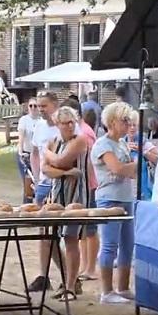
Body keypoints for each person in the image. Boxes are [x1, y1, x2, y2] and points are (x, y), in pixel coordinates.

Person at [91, 101, 137, 305]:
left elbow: (128, 171)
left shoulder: (122, 143)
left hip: (126, 196)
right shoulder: (102, 144)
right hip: (109, 197)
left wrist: (130, 167)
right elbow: (117, 168)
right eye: (124, 120)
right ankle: (106, 291)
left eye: (129, 120)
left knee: (128, 244)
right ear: (111, 122)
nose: (128, 124)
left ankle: (123, 287)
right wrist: (134, 165)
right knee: (110, 244)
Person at [42, 106, 89, 300]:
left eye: (72, 122)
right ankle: (69, 278)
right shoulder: (55, 141)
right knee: (48, 239)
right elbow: (46, 169)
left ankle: (70, 287)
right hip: (56, 195)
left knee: (70, 240)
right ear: (57, 124)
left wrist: (47, 154)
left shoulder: (80, 140)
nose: (69, 126)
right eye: (65, 123)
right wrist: (65, 172)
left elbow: (61, 160)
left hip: (75, 197)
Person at [28, 91, 65, 291]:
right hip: (42, 183)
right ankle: (44, 275)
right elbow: (35, 152)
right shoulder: (39, 126)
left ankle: (69, 277)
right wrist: (35, 176)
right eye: (38, 106)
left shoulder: (63, 129)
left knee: (54, 234)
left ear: (55, 105)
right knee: (43, 233)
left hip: (58, 184)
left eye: (44, 106)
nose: (41, 110)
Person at [63, 98, 100, 281]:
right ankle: (85, 266)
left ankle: (91, 267)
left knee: (90, 229)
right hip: (82, 185)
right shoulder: (79, 132)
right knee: (83, 231)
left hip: (89, 184)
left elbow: (91, 161)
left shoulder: (85, 133)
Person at [125, 110, 158, 201]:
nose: (132, 128)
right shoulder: (120, 142)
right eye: (129, 125)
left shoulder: (143, 141)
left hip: (143, 190)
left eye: (134, 125)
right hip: (126, 190)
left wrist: (143, 152)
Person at [17, 98, 42, 203]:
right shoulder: (24, 120)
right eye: (30, 106)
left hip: (38, 156)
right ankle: (26, 205)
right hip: (26, 154)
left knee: (39, 181)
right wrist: (20, 152)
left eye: (35, 106)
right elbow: (21, 137)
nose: (32, 108)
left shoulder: (41, 121)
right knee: (28, 183)